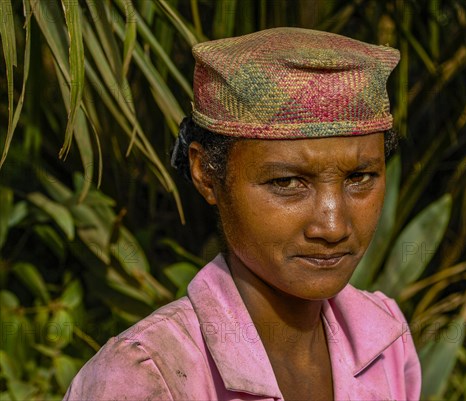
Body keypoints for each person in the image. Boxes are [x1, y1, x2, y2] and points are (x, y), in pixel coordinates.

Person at [64, 27, 421, 401]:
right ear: (206, 173)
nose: (332, 226)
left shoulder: (385, 338)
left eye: (360, 177)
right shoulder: (150, 376)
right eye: (287, 182)